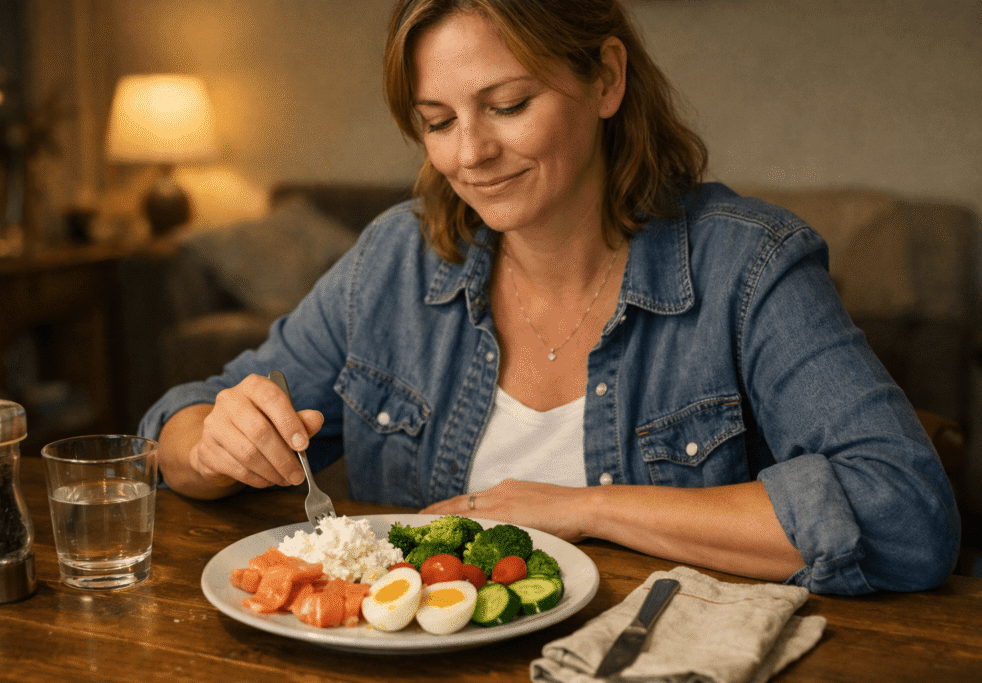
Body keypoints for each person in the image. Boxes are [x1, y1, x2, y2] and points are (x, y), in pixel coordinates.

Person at [140, 0, 960, 595]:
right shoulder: (395, 256)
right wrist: (209, 440)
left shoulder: (748, 264)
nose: (470, 155)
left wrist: (584, 511)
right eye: (437, 120)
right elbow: (176, 426)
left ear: (605, 78)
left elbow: (905, 511)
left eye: (508, 105)